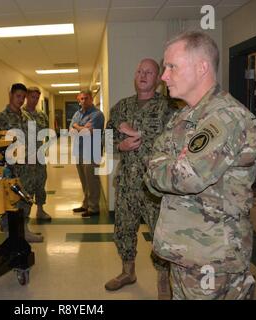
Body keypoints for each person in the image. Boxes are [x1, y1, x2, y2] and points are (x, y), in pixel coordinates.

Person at [144, 31, 256, 299]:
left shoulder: (224, 118)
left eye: (172, 66)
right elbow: (155, 166)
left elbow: (185, 177)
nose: (164, 76)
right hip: (186, 252)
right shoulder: (184, 116)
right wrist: (164, 165)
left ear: (201, 68)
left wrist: (164, 165)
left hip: (213, 259)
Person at [104, 59, 175, 298]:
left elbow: (175, 143)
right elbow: (106, 138)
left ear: (157, 79)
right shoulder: (121, 107)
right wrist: (119, 145)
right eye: (139, 71)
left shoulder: (168, 108)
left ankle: (163, 280)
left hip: (154, 186)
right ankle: (128, 271)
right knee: (124, 229)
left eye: (149, 72)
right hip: (126, 184)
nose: (143, 75)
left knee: (159, 234)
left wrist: (139, 134)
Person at [0, 83, 43, 242]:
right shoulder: (1, 118)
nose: (21, 100)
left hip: (29, 166)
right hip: (12, 168)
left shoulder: (27, 116)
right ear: (11, 95)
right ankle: (10, 231)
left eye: (23, 97)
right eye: (18, 96)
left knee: (26, 197)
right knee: (11, 200)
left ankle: (24, 228)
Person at [69, 89, 104, 217]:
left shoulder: (97, 114)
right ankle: (85, 204)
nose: (83, 101)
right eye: (81, 99)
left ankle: (94, 208)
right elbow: (70, 130)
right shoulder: (77, 114)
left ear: (91, 99)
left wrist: (77, 127)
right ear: (79, 100)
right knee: (84, 180)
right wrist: (81, 128)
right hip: (79, 151)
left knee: (92, 180)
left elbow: (87, 132)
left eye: (86, 98)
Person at [20, 86, 52, 221]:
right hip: (25, 158)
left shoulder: (42, 115)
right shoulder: (19, 114)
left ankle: (40, 210)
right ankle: (24, 214)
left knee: (41, 182)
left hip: (39, 155)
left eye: (37, 98)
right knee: (26, 185)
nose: (35, 100)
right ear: (26, 97)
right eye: (32, 97)